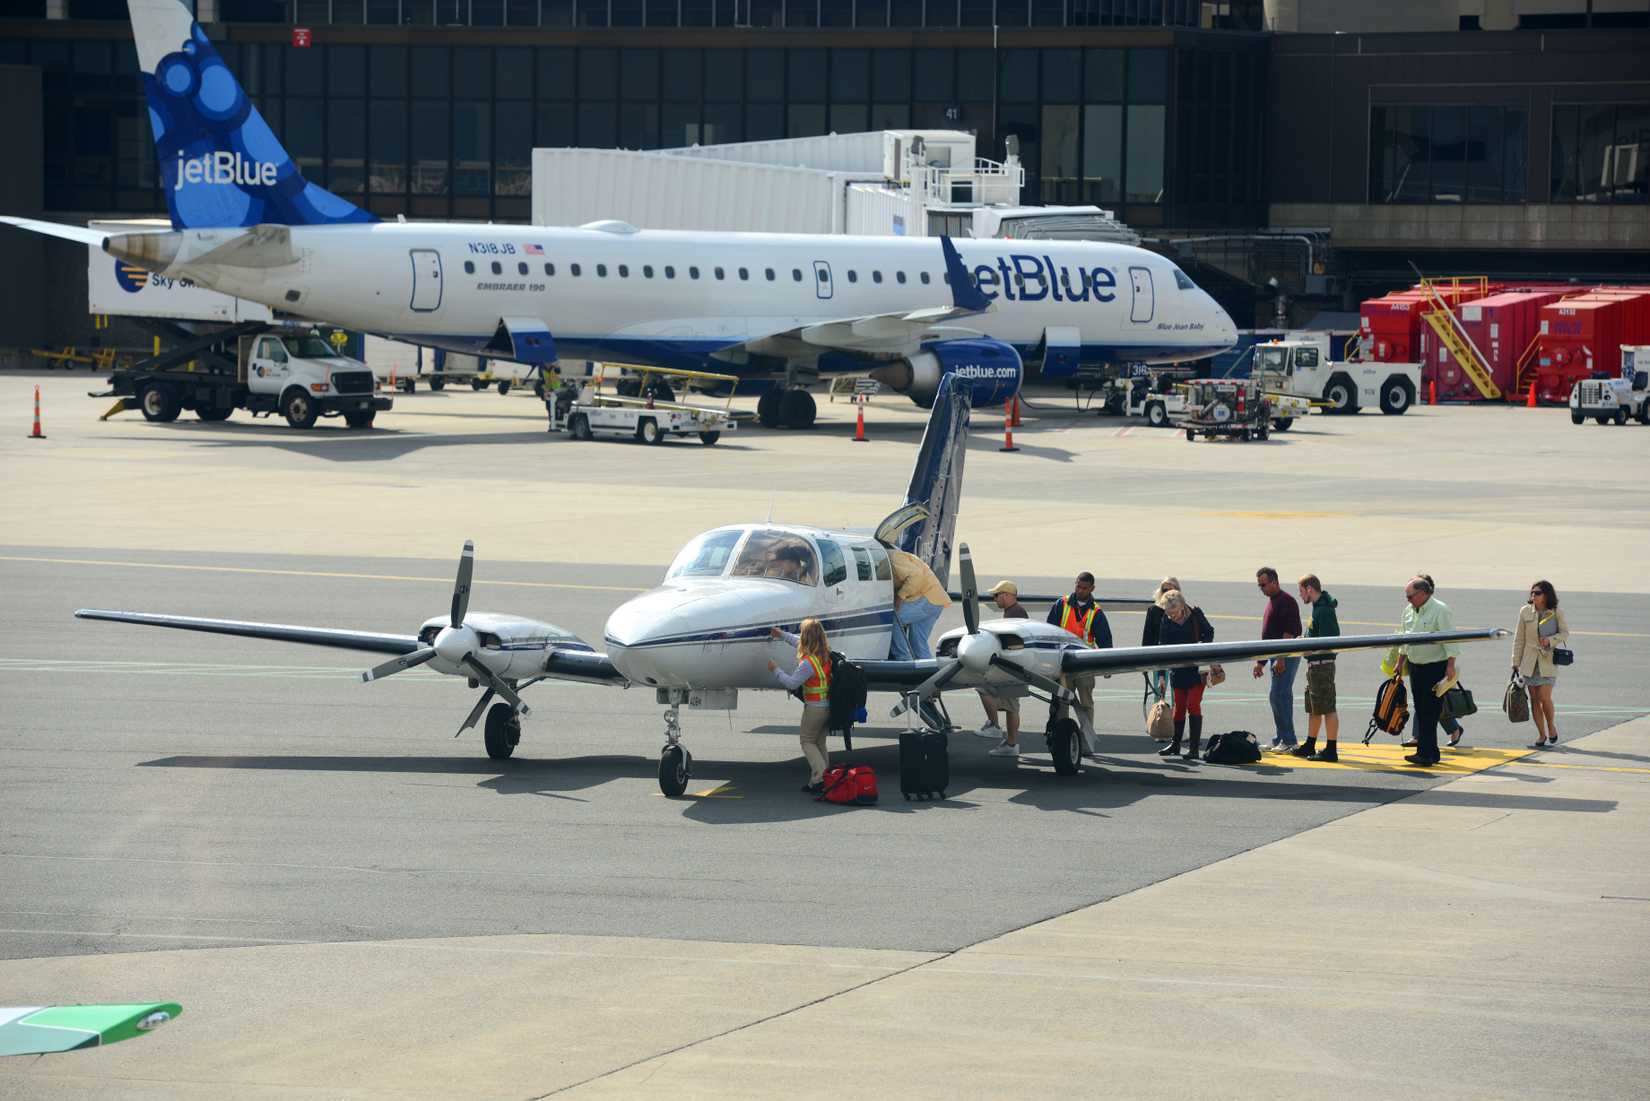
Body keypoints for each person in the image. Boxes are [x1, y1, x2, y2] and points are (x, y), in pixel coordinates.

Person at [1381, 574, 1459, 768]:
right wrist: (1400, 662)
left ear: (1423, 593)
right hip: (1416, 666)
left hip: (1435, 666)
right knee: (1422, 709)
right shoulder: (1408, 611)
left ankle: (1425, 753)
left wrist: (1450, 665)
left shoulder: (1440, 610)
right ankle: (1431, 752)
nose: (1408, 600)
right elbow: (1405, 638)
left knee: (1430, 711)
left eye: (1410, 596)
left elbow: (1450, 639)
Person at [768, 619, 833, 794]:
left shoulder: (807, 664)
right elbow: (796, 642)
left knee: (807, 741)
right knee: (819, 743)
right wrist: (780, 634)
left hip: (815, 708)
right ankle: (822, 780)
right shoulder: (825, 654)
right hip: (827, 706)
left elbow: (791, 683)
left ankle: (820, 778)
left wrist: (775, 670)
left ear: (806, 638)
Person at [1048, 571, 1113, 732]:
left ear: (1092, 588)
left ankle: (1086, 738)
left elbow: (1105, 641)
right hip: (1062, 664)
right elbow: (1048, 631)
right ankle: (1059, 737)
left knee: (1086, 704)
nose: (1080, 590)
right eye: (1078, 586)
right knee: (1061, 702)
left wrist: (1107, 666)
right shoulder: (1061, 604)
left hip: (1085, 666)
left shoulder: (1096, 613)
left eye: (1084, 588)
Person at [1154, 589, 1213, 761]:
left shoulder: (1195, 615)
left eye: (1173, 612)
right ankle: (1175, 744)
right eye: (1168, 612)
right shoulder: (1166, 620)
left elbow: (1209, 632)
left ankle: (1194, 748)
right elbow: (1161, 648)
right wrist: (1162, 676)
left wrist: (1202, 647)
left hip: (1196, 669)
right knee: (1178, 708)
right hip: (1178, 670)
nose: (1171, 615)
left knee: (1193, 705)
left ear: (1181, 607)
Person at [1512, 579, 1570, 748]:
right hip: (1529, 662)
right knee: (1534, 699)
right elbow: (1519, 639)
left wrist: (1550, 641)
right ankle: (1541, 734)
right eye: (1532, 592)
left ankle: (1551, 727)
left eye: (1537, 593)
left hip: (1547, 661)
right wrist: (1515, 661)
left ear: (1546, 595)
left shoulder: (1555, 612)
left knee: (1545, 698)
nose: (1533, 595)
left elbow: (1565, 633)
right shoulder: (1524, 611)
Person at [976, 580, 1030, 757]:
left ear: (1006, 595)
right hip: (1012, 668)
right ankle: (1005, 738)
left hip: (1012, 669)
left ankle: (1002, 734)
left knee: (1008, 704)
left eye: (996, 595)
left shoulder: (1015, 614)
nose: (994, 599)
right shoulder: (1013, 612)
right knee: (1009, 706)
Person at [1291, 574, 1341, 762]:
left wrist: (1307, 648)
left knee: (1327, 707)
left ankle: (1331, 749)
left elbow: (1330, 640)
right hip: (1314, 665)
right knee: (1313, 707)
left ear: (1310, 589)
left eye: (1301, 591)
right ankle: (1310, 744)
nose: (1301, 595)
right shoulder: (1317, 608)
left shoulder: (1324, 610)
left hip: (1322, 665)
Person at [1252, 566, 1302, 751]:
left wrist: (1281, 658)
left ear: (1274, 582)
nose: (1262, 589)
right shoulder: (1273, 601)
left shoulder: (1286, 601)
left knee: (1280, 695)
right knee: (1278, 696)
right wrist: (1261, 662)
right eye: (1259, 586)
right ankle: (1281, 737)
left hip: (1286, 655)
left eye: (1263, 584)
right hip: (1276, 654)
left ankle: (1289, 740)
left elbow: (1288, 633)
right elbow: (1269, 637)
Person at [887, 547, 952, 661]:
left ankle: (903, 659)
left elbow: (916, 576)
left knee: (894, 618)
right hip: (937, 600)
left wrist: (900, 596)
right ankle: (928, 674)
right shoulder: (894, 556)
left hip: (928, 599)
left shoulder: (893, 558)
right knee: (918, 646)